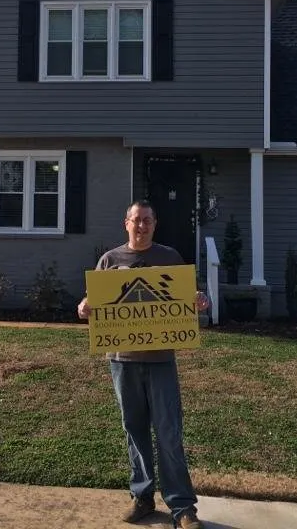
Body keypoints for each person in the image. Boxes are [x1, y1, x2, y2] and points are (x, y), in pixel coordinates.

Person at [78, 199, 209, 529]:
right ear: (126, 223)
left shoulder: (169, 258)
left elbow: (187, 298)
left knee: (169, 433)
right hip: (123, 361)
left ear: (155, 224)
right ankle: (143, 497)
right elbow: (94, 302)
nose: (142, 226)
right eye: (136, 220)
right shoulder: (110, 260)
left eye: (147, 220)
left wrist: (199, 300)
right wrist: (84, 307)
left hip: (161, 360)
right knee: (134, 430)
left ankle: (182, 508)